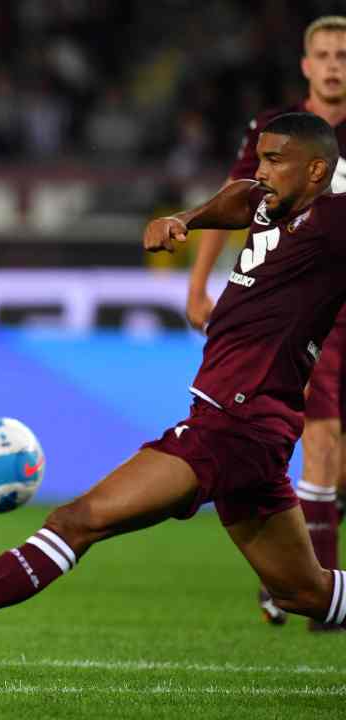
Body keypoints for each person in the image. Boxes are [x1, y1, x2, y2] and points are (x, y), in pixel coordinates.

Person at [0, 112, 346, 658]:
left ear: (317, 170)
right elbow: (239, 198)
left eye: (275, 160)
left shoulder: (333, 222)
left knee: (77, 521)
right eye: (260, 157)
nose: (261, 172)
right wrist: (189, 217)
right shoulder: (271, 204)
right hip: (248, 426)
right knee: (303, 590)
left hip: (235, 423)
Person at [185, 15, 346, 629]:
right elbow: (236, 195)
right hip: (291, 304)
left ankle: (294, 582)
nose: (333, 65)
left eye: (342, 55)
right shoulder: (275, 131)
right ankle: (313, 600)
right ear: (306, 65)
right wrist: (200, 280)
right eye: (323, 54)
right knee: (322, 443)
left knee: (335, 463)